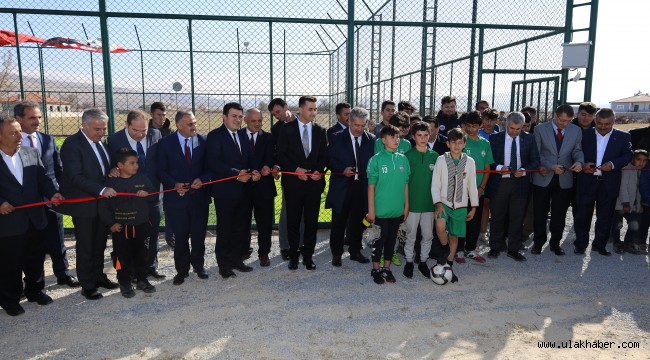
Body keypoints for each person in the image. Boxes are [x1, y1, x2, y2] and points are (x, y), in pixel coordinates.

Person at [0, 117, 63, 316]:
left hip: (36, 218)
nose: (20, 136)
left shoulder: (30, 153)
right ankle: (10, 299)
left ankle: (35, 291)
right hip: (9, 223)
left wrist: (52, 193)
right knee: (10, 262)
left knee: (36, 258)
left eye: (20, 131)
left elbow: (43, 179)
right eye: (13, 133)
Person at [14, 101, 79, 288]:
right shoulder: (11, 143)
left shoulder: (48, 140)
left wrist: (60, 192)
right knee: (30, 245)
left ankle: (63, 274)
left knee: (57, 239)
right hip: (27, 203)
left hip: (52, 199)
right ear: (19, 119)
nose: (37, 121)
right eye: (32, 117)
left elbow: (58, 169)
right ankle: (31, 282)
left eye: (39, 117)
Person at [58, 108, 119, 300]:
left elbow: (102, 168)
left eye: (104, 129)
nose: (101, 133)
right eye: (97, 129)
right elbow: (75, 177)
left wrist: (112, 171)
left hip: (101, 205)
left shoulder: (101, 143)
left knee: (100, 243)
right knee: (86, 246)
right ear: (84, 125)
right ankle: (87, 285)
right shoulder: (72, 145)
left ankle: (99, 277)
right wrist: (101, 190)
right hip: (83, 206)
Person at [107, 109, 164, 279]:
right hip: (127, 198)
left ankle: (151, 266)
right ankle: (128, 271)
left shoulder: (156, 134)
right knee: (127, 237)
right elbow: (109, 164)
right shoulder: (114, 140)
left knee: (152, 234)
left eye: (143, 131)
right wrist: (112, 169)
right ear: (127, 125)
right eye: (135, 131)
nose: (140, 135)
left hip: (151, 194)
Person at [206, 103, 260, 279]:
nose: (237, 119)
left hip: (244, 191)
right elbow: (214, 162)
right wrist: (236, 174)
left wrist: (256, 170)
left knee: (241, 228)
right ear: (224, 117)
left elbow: (250, 158)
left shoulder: (243, 136)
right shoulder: (215, 136)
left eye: (239, 116)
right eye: (233, 116)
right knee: (225, 229)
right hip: (225, 192)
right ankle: (224, 265)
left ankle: (237, 260)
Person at [157, 110, 211, 285]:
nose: (194, 126)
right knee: (180, 237)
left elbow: (210, 168)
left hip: (199, 199)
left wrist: (202, 180)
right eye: (190, 124)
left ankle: (199, 266)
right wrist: (174, 185)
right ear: (179, 126)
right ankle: (181, 271)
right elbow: (161, 171)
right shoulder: (165, 144)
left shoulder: (203, 141)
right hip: (177, 200)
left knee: (198, 236)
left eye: (195, 123)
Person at [276, 96, 327, 271]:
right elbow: (281, 155)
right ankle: (293, 255)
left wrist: (318, 172)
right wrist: (295, 169)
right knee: (293, 221)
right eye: (310, 109)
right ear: (301, 109)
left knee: (312, 222)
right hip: (293, 184)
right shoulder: (287, 129)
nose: (314, 112)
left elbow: (323, 156)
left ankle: (308, 256)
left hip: (313, 185)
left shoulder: (320, 131)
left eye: (315, 109)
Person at [98, 148, 157, 298]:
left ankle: (142, 279)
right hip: (121, 228)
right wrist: (111, 224)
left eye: (136, 163)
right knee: (121, 257)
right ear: (120, 165)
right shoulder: (112, 184)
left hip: (141, 225)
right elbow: (103, 207)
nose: (136, 166)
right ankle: (124, 282)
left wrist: (147, 194)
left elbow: (154, 196)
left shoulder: (143, 179)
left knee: (142, 254)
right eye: (131, 163)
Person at [574, 108, 633, 256]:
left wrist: (613, 164)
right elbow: (575, 152)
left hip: (609, 182)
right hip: (587, 181)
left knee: (605, 216)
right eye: (599, 123)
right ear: (596, 120)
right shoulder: (583, 134)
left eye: (607, 124)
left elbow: (628, 155)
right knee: (582, 214)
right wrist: (582, 164)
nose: (602, 127)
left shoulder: (623, 136)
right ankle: (580, 244)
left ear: (614, 121)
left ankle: (599, 245)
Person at [530, 105, 583, 256]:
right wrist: (550, 165)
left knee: (559, 214)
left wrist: (579, 162)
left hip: (564, 179)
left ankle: (555, 243)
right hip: (543, 176)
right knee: (540, 212)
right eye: (562, 120)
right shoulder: (540, 129)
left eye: (568, 121)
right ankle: (538, 243)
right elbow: (536, 153)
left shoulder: (576, 130)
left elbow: (577, 150)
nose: (564, 124)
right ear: (555, 115)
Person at [486, 112, 540, 261]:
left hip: (521, 184)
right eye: (511, 128)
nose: (514, 132)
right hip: (500, 182)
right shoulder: (495, 138)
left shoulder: (529, 139)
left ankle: (514, 249)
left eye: (518, 129)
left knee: (517, 218)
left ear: (523, 126)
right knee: (497, 216)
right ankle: (495, 247)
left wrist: (523, 171)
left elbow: (535, 161)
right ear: (505, 124)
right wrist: (499, 168)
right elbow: (489, 161)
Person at [326, 107, 375, 266]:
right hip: (342, 186)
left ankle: (355, 251)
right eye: (356, 125)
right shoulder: (336, 137)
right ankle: (337, 253)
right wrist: (342, 170)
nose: (360, 129)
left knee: (358, 221)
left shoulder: (372, 140)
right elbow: (329, 160)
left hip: (362, 187)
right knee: (339, 221)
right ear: (349, 122)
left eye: (363, 125)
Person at [431, 128, 479, 282]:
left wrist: (474, 207)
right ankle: (444, 249)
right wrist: (437, 202)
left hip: (461, 205)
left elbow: (472, 186)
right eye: (453, 143)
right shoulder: (441, 160)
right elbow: (435, 184)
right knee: (440, 226)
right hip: (443, 203)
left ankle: (449, 266)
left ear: (464, 144)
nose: (457, 146)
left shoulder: (470, 162)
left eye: (460, 143)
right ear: (447, 143)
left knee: (454, 237)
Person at [366, 124, 410, 284]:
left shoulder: (403, 159)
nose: (396, 140)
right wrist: (371, 210)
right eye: (392, 137)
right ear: (383, 140)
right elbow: (371, 187)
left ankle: (387, 269)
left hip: (397, 209)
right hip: (380, 210)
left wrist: (406, 206)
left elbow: (406, 184)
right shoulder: (376, 159)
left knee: (392, 240)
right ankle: (375, 269)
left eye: (398, 137)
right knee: (380, 240)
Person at [241, 108, 277, 267]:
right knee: (242, 222)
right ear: (245, 121)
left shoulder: (268, 137)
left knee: (265, 223)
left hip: (264, 188)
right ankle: (243, 250)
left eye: (260, 121)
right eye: (253, 121)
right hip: (243, 188)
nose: (257, 124)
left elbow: (271, 156)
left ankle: (264, 253)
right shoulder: (238, 136)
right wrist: (250, 172)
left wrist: (267, 167)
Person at [268, 98, 302, 261]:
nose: (276, 115)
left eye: (278, 111)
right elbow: (278, 153)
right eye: (274, 114)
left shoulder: (304, 120)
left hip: (307, 175)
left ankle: (301, 244)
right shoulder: (276, 130)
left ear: (286, 107)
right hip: (290, 176)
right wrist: (277, 166)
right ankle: (285, 246)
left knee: (304, 212)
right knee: (287, 212)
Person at [403, 121, 438, 278]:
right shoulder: (407, 156)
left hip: (429, 204)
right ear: (413, 136)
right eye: (419, 135)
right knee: (410, 235)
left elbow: (439, 181)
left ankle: (423, 261)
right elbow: (404, 182)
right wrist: (405, 204)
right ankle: (409, 262)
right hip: (412, 204)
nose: (423, 138)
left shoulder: (435, 156)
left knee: (428, 235)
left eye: (426, 135)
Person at [457, 111, 492, 263]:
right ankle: (458, 250)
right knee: (459, 219)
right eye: (469, 126)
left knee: (475, 221)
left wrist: (481, 188)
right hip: (461, 189)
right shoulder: (461, 142)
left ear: (480, 126)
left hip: (477, 190)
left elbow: (487, 168)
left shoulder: (485, 143)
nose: (471, 129)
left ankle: (470, 249)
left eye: (475, 126)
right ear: (464, 126)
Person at [610, 150, 648, 254]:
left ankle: (628, 244)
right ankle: (616, 243)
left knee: (635, 223)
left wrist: (639, 205)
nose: (641, 162)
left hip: (634, 205)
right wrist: (625, 203)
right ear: (633, 159)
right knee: (618, 224)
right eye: (638, 159)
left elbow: (639, 191)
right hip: (621, 204)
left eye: (645, 160)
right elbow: (623, 188)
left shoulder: (641, 171)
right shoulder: (626, 170)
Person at [148, 102, 175, 249]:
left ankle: (170, 236)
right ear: (151, 114)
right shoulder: (145, 131)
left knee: (169, 205)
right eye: (159, 114)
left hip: (167, 174)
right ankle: (151, 238)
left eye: (164, 115)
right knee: (153, 208)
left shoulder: (169, 132)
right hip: (151, 176)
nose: (162, 118)